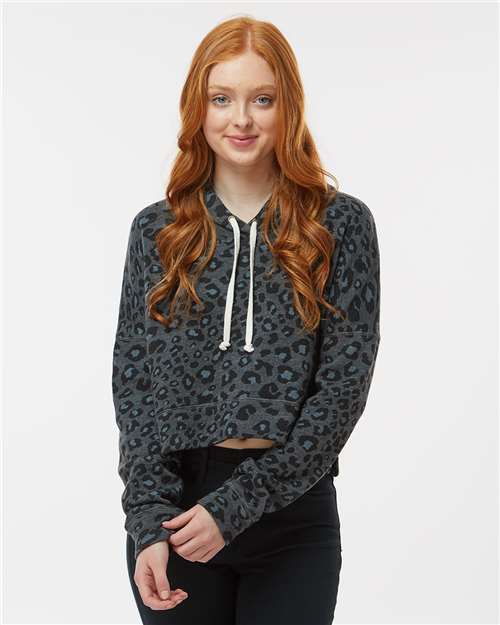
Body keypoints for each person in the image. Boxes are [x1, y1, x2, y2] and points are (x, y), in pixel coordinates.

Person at [111, 15, 381, 625]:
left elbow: (342, 389)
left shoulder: (339, 225)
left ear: (289, 106)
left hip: (293, 513)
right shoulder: (157, 232)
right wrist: (147, 520)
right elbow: (136, 389)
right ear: (197, 107)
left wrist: (235, 506)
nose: (241, 119)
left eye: (262, 99)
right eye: (221, 99)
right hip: (179, 517)